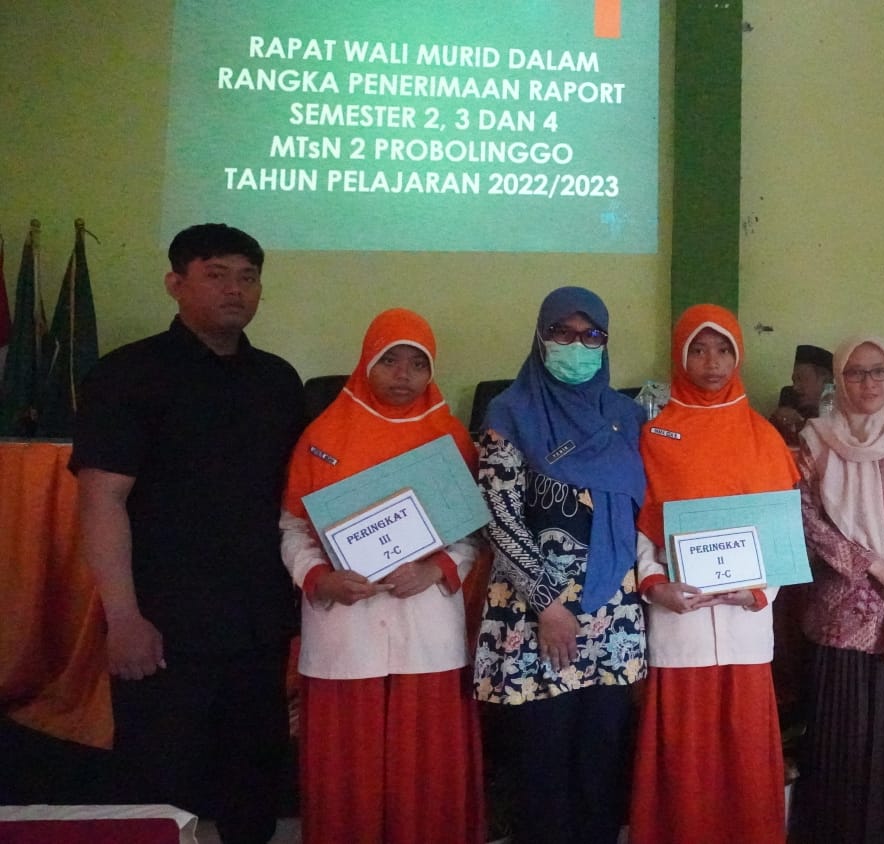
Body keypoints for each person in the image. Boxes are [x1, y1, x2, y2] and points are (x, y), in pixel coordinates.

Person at [70, 223, 304, 844]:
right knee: (158, 791)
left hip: (258, 624)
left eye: (248, 277)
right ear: (175, 284)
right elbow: (102, 501)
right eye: (216, 275)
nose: (235, 289)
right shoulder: (127, 375)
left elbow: (303, 500)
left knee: (253, 791)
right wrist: (123, 618)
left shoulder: (279, 381)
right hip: (163, 627)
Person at [279, 308, 485, 844]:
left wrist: (436, 568)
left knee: (427, 766)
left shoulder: (449, 437)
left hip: (426, 624)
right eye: (390, 360)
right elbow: (293, 528)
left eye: (417, 363)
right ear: (367, 361)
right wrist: (318, 578)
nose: (403, 375)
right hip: (346, 625)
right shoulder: (323, 436)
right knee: (351, 767)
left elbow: (471, 534)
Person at [473, 287, 647, 844]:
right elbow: (498, 516)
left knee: (602, 755)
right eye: (562, 333)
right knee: (542, 757)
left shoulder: (627, 417)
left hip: (613, 612)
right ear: (540, 336)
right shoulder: (510, 413)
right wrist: (548, 605)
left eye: (591, 335)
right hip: (535, 614)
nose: (577, 345)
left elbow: (650, 507)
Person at [630, 304, 800, 844]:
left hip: (744, 622)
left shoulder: (764, 438)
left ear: (738, 356)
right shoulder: (655, 436)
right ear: (680, 357)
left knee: (744, 751)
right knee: (685, 754)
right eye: (699, 350)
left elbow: (781, 532)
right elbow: (642, 526)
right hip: (679, 619)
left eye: (723, 349)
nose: (712, 362)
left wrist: (758, 591)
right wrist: (654, 584)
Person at [789, 334, 884, 844]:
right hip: (839, 616)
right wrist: (875, 565)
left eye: (879, 371)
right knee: (843, 743)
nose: (869, 383)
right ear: (838, 379)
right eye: (855, 372)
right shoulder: (815, 440)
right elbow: (807, 521)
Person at [769, 343, 834, 445]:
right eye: (794, 381)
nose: (795, 387)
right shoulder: (790, 401)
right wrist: (776, 420)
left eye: (801, 379)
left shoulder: (845, 412)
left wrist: (803, 424)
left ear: (825, 381)